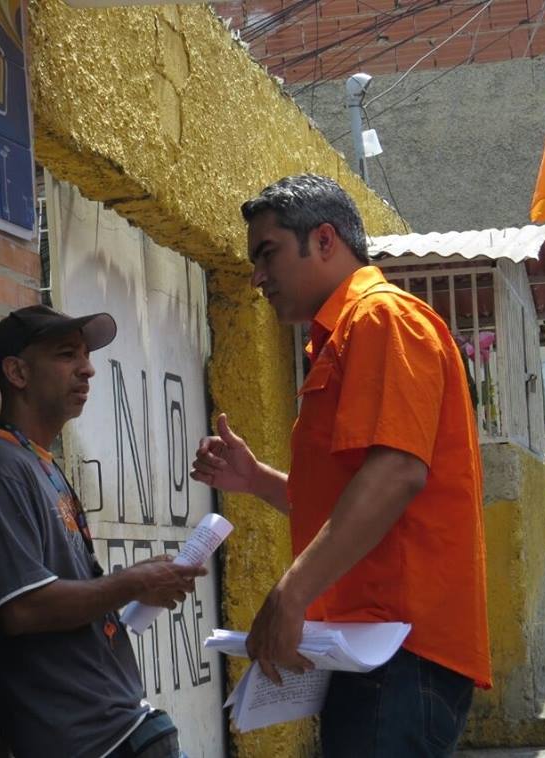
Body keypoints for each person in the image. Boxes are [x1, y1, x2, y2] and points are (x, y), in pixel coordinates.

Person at [191, 175, 492, 757]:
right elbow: (354, 499)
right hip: (376, 650)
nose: (257, 276)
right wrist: (254, 481)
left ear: (324, 240)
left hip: (399, 649)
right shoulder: (346, 334)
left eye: (267, 253)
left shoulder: (382, 318)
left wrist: (291, 592)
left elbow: (396, 474)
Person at [0, 304, 206, 758]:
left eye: (85, 356)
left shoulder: (37, 461)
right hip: (84, 739)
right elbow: (21, 609)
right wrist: (130, 583)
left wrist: (136, 581)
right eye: (67, 355)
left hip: (121, 724)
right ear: (17, 372)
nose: (87, 369)